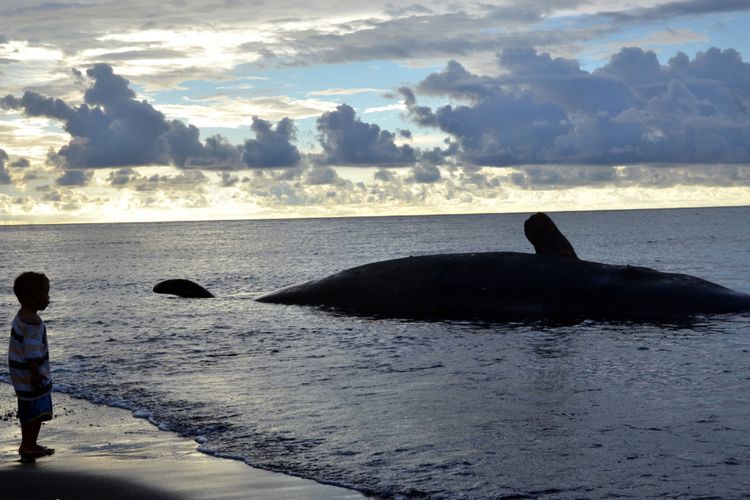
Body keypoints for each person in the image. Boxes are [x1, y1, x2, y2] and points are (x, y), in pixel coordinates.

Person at [9, 272, 55, 462]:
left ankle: (27, 443)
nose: (48, 298)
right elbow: (32, 353)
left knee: (26, 410)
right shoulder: (33, 323)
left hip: (19, 374)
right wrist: (36, 375)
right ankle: (30, 445)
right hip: (31, 375)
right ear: (34, 298)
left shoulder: (21, 316)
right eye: (46, 293)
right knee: (36, 412)